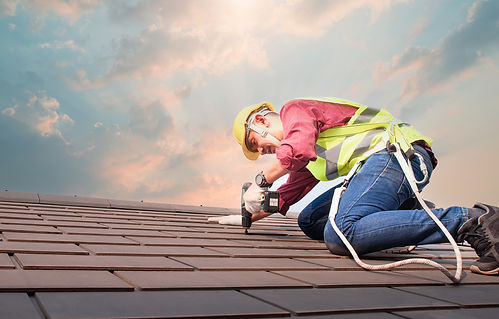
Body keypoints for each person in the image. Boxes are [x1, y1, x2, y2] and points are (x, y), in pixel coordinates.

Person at [212, 97, 498, 276]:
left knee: (341, 232)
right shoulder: (308, 152)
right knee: (310, 220)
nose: (263, 152)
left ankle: (472, 221)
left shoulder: (294, 112)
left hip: (396, 155)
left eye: (256, 144)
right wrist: (248, 216)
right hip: (379, 168)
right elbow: (287, 195)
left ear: (260, 122)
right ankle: (405, 210)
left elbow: (295, 150)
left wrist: (262, 179)